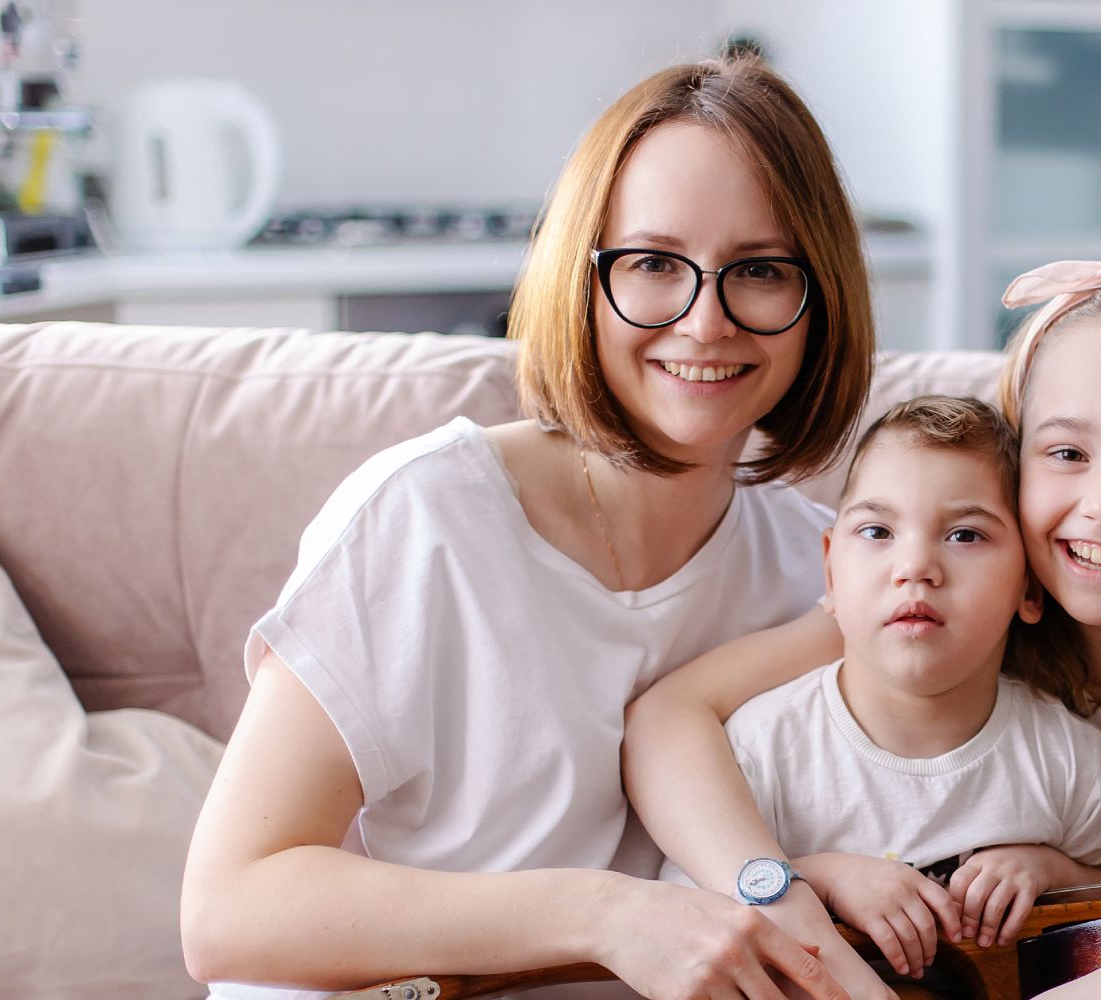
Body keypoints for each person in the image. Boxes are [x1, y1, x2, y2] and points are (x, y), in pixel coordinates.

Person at [180, 56, 881, 1000]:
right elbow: (228, 910)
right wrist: (606, 914)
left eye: (758, 270)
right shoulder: (426, 518)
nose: (704, 322)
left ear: (819, 300)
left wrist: (808, 878)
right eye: (651, 264)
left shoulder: (826, 569)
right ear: (583, 281)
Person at [624, 216, 1101, 1000]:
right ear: (1011, 469)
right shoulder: (942, 612)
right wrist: (787, 885)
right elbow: (670, 718)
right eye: (1066, 454)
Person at [651, 396, 1101, 981]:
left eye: (966, 535)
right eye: (877, 530)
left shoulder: (1065, 753)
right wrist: (819, 876)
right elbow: (689, 922)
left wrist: (1048, 868)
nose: (915, 565)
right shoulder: (763, 747)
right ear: (831, 573)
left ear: (1032, 587)